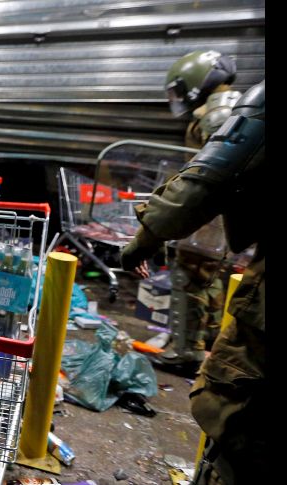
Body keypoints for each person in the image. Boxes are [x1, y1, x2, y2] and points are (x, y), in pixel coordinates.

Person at [120, 80, 264, 485]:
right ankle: (193, 348)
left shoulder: (229, 112)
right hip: (216, 240)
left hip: (205, 236)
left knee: (239, 425)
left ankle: (187, 351)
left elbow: (204, 180)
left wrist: (147, 236)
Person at [154, 51, 242, 369]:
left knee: (189, 275)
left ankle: (187, 351)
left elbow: (210, 171)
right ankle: (208, 346)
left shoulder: (217, 115)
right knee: (212, 278)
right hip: (223, 214)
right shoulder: (235, 107)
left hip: (209, 212)